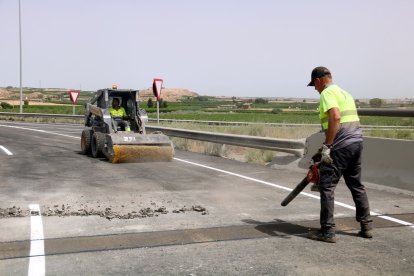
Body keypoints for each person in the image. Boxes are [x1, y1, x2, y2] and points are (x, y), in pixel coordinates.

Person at [307, 66, 372, 243]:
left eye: (314, 84)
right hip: (356, 143)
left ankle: (327, 231)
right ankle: (366, 226)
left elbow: (335, 117)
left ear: (319, 80)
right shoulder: (345, 93)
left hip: (340, 146)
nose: (315, 88)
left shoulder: (327, 93)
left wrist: (328, 145)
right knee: (356, 184)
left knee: (326, 186)